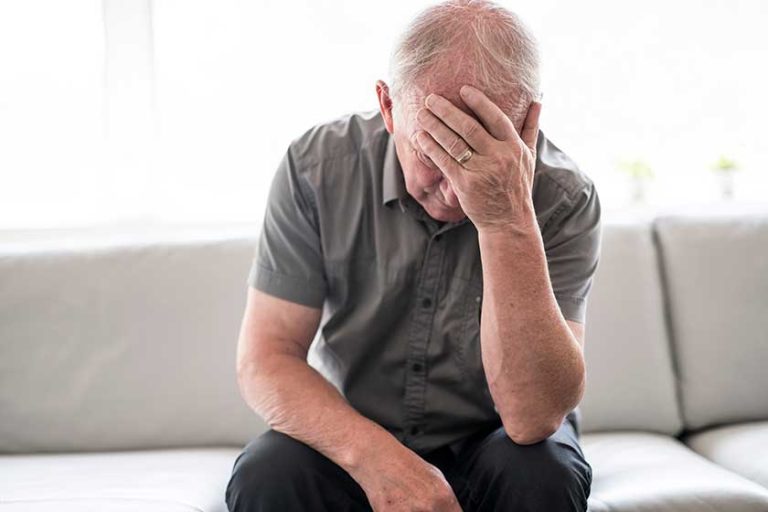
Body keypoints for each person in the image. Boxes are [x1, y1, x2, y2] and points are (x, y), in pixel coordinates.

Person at [226, 0, 600, 510]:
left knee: (542, 472)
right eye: (433, 154)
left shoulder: (565, 196)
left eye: (483, 153)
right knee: (268, 472)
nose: (455, 189)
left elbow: (533, 418)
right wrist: (379, 461)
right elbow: (266, 358)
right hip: (357, 427)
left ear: (527, 122)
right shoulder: (317, 167)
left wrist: (506, 218)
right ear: (388, 106)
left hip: (497, 435)